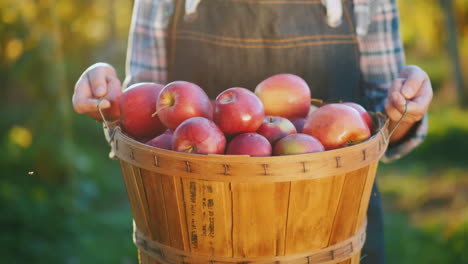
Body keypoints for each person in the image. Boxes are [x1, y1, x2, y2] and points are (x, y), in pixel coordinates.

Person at [72, 0, 433, 263]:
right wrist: (108, 101)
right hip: (201, 231)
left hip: (331, 230)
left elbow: (383, 131)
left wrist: (406, 109)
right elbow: (144, 127)